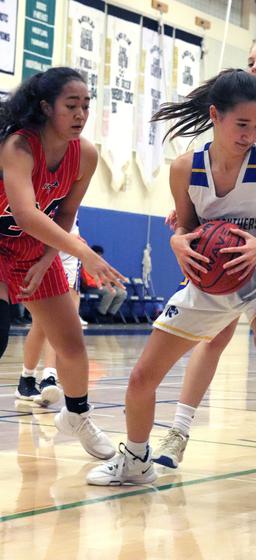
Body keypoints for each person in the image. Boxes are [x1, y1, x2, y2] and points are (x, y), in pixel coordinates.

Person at [87, 69, 256, 530]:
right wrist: (176, 241)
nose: (251, 136)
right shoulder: (185, 168)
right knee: (141, 377)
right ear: (215, 116)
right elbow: (186, 227)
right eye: (242, 126)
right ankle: (136, 458)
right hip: (209, 283)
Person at [152, 37, 256, 474]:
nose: (253, 66)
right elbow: (207, 179)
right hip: (227, 241)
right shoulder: (233, 119)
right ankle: (180, 428)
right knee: (218, 337)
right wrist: (192, 221)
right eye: (249, 60)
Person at [0, 66, 126, 459]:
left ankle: (77, 415)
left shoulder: (85, 154)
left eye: (86, 106)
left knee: (71, 344)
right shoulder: (18, 146)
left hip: (36, 249)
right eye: (71, 105)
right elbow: (24, 214)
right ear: (45, 107)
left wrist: (50, 257)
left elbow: (64, 213)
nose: (81, 114)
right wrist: (81, 251)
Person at [15, 216, 83, 405]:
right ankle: (27, 377)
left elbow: (69, 211)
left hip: (67, 246)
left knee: (61, 322)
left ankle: (49, 377)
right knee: (42, 321)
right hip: (36, 242)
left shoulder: (75, 186)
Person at [80, 244, 127, 323]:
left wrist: (111, 282)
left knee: (123, 293)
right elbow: (88, 282)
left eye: (101, 255)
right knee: (110, 292)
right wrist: (104, 283)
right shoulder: (85, 264)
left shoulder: (101, 265)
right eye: (98, 255)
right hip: (91, 288)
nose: (100, 257)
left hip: (102, 287)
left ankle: (110, 314)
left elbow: (106, 277)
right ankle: (100, 314)